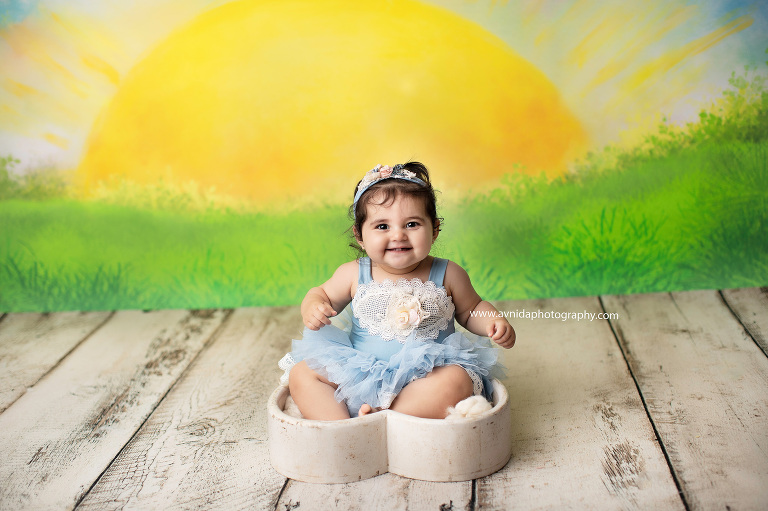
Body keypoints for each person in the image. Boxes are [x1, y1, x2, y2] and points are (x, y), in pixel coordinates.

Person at [278, 162, 515, 420]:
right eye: (382, 227)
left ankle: (383, 417)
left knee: (457, 381)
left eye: (412, 224)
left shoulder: (449, 274)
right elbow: (321, 293)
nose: (398, 235)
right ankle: (340, 428)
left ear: (434, 229)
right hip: (362, 374)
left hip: (426, 378)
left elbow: (472, 310)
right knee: (302, 373)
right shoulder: (353, 273)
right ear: (360, 235)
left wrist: (493, 321)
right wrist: (313, 305)